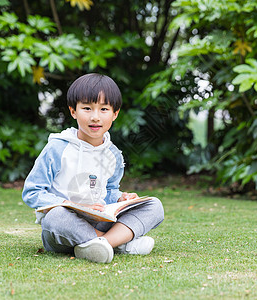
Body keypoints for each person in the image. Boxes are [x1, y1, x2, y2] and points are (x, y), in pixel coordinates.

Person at [22, 73, 164, 263]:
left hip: (100, 220)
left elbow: (108, 192)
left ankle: (98, 243)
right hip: (62, 230)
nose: (95, 117)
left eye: (104, 109)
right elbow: (32, 192)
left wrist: (121, 197)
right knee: (55, 216)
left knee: (154, 206)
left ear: (115, 114)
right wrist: (74, 206)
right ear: (73, 111)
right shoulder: (58, 148)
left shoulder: (113, 154)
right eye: (87, 108)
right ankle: (117, 243)